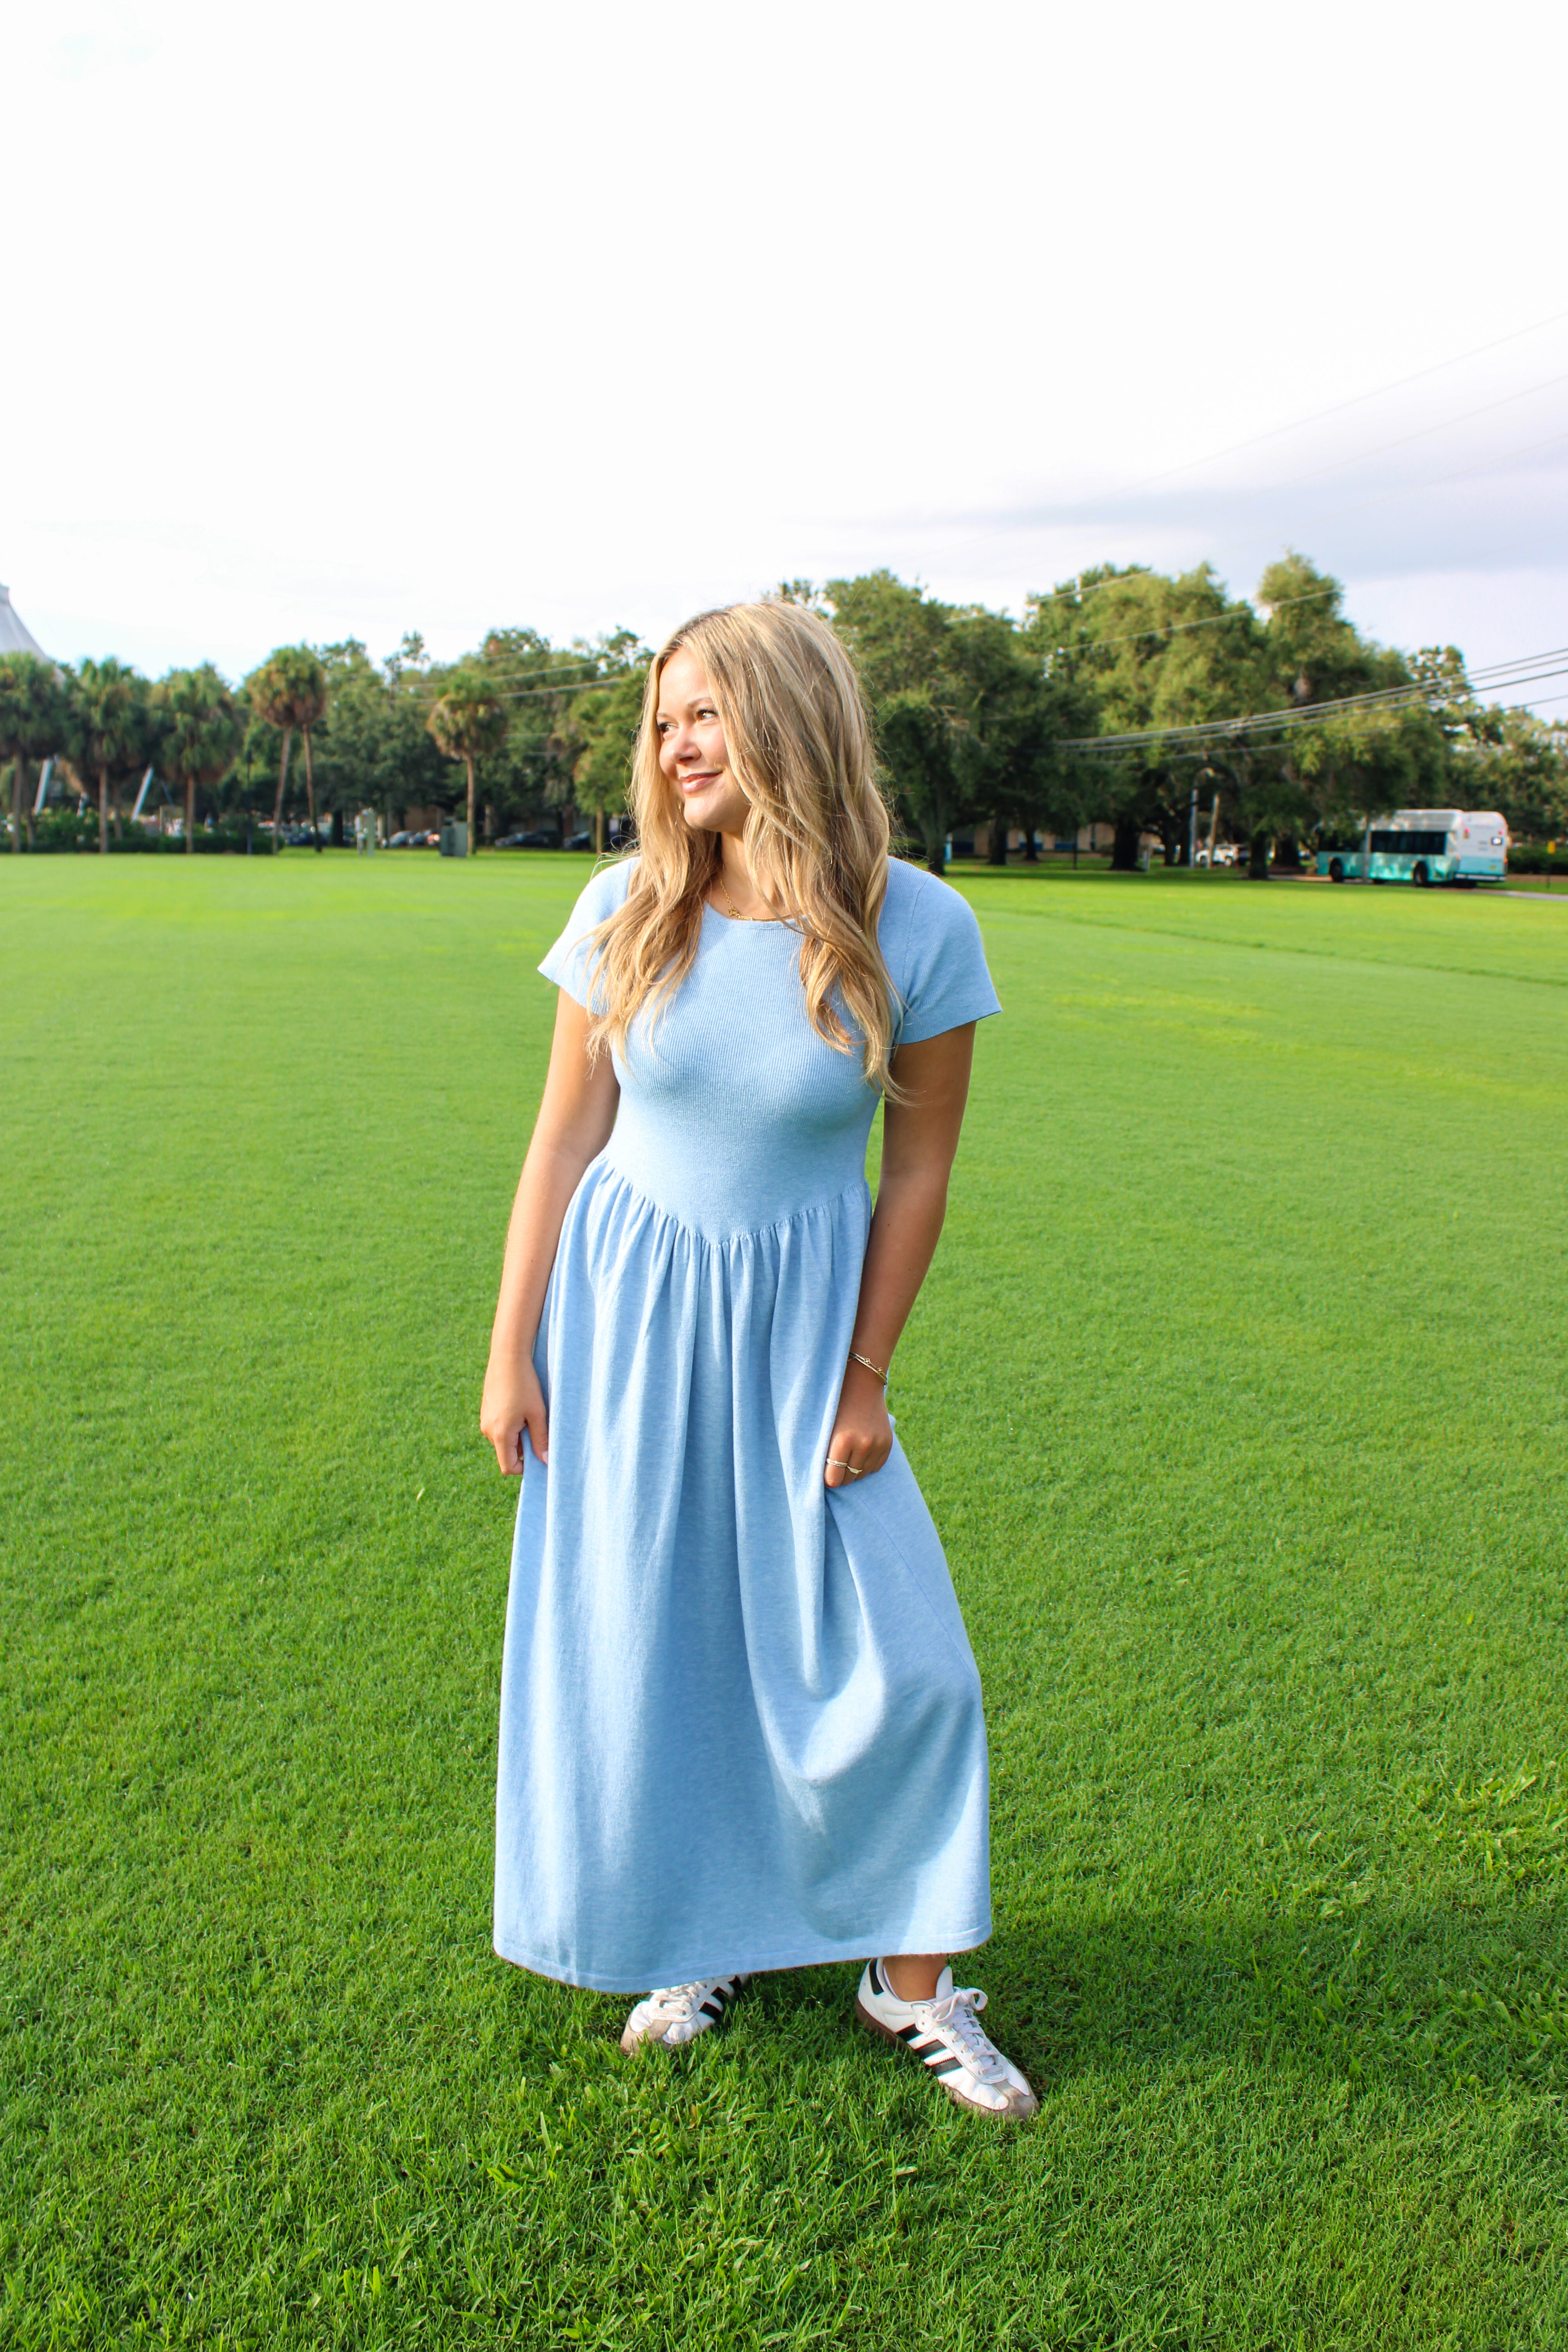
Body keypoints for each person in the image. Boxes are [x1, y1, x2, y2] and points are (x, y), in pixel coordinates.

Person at [480, 600, 1035, 2120]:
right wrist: (511, 1347)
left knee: (908, 1664)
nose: (674, 745)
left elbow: (916, 1175)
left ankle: (908, 1986)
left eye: (703, 713)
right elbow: (564, 1136)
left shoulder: (918, 925)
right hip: (627, 1327)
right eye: (662, 721)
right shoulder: (626, 903)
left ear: (790, 716)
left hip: (803, 1341)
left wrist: (865, 1378)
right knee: (662, 1644)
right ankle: (696, 1937)